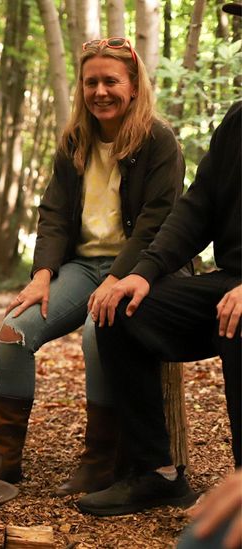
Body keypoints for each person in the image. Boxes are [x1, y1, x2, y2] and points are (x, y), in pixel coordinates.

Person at [0, 38, 184, 496]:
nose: (100, 91)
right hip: (82, 266)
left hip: (142, 270)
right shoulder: (75, 140)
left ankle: (100, 460)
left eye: (111, 81)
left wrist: (115, 279)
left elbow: (157, 221)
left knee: (99, 330)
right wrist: (42, 275)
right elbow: (53, 214)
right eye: (91, 82)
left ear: (133, 86)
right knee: (13, 331)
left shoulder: (159, 141)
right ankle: (5, 460)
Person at [77, 93, 239, 516]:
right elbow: (198, 207)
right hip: (229, 282)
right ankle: (156, 474)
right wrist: (142, 273)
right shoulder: (237, 120)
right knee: (119, 311)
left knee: (239, 320)